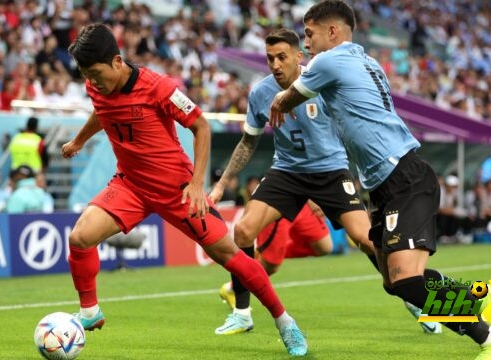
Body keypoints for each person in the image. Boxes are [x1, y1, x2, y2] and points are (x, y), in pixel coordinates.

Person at [269, 2, 491, 359]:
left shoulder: (329, 61)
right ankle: (477, 296)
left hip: (404, 177)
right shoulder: (366, 62)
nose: (305, 43)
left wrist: (277, 101)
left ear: (333, 32)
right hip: (388, 184)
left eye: (309, 34)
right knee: (393, 281)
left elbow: (291, 96)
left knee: (405, 279)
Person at [61, 24, 307, 356]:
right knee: (80, 238)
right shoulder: (97, 88)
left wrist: (196, 184)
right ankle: (90, 313)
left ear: (117, 62)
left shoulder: (158, 87)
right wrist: (79, 140)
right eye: (85, 75)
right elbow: (102, 112)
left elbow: (201, 126)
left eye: (95, 73)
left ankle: (285, 322)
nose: (91, 82)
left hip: (176, 190)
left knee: (230, 256)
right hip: (130, 186)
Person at [209, 28, 440, 336]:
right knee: (242, 230)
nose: (275, 65)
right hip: (287, 172)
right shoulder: (261, 93)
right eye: (269, 59)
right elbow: (248, 142)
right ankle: (241, 312)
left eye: (282, 57)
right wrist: (223, 183)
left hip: (331, 172)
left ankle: (413, 299)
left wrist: (353, 182)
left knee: (367, 239)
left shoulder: (323, 84)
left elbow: (351, 132)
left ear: (298, 57)